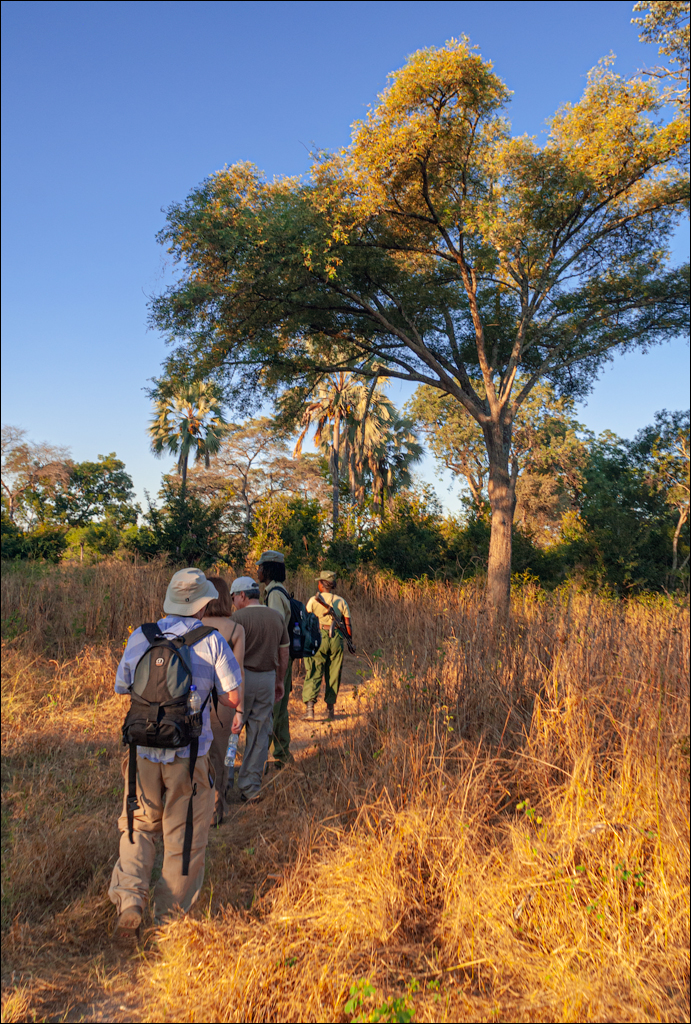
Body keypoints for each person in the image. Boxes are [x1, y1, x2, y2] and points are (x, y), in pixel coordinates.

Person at [109, 568, 243, 940]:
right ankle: (169, 920)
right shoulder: (211, 640)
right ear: (202, 604)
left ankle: (131, 900)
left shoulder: (142, 635)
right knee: (183, 835)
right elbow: (233, 696)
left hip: (142, 751)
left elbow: (122, 686)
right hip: (189, 753)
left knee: (137, 825)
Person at [230, 576, 290, 802]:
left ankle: (224, 782)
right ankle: (251, 786)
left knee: (231, 731)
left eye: (234, 597)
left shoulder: (237, 618)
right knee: (260, 734)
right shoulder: (276, 617)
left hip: (241, 680)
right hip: (267, 678)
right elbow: (284, 653)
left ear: (242, 595)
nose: (233, 601)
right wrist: (279, 680)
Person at [202, 576, 246, 826]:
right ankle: (219, 804)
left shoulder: (193, 626)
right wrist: (240, 709)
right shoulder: (235, 629)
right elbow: (238, 671)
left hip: (196, 699)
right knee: (225, 755)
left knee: (200, 754)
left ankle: (201, 804)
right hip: (226, 702)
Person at [257, 550, 293, 769]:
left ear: (268, 570)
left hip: (277, 657)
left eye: (261, 567)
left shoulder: (275, 594)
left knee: (273, 709)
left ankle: (262, 759)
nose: (258, 570)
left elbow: (276, 627)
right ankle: (282, 754)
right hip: (281, 656)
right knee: (280, 707)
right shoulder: (278, 592)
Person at [302, 571, 352, 721]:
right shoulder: (342, 601)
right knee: (334, 672)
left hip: (318, 637)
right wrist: (349, 640)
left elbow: (305, 621)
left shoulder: (313, 600)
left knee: (314, 670)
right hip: (336, 637)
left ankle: (310, 709)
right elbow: (348, 626)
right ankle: (330, 708)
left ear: (322, 584)